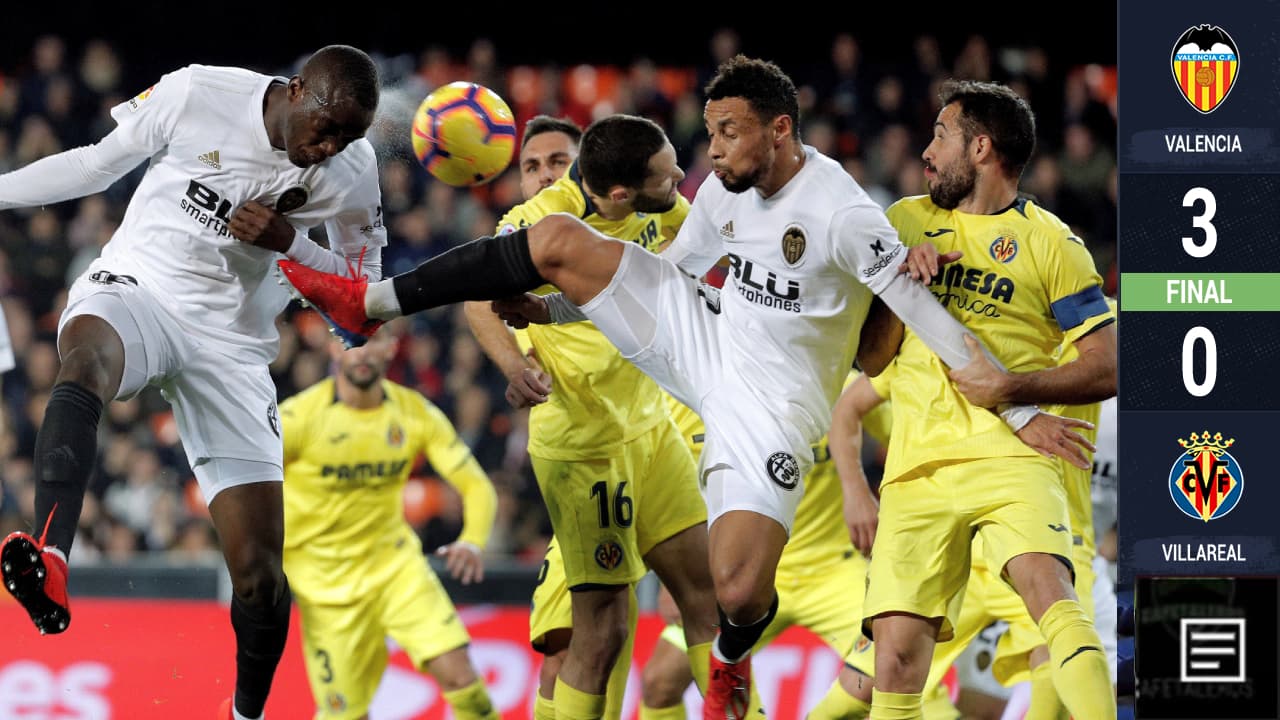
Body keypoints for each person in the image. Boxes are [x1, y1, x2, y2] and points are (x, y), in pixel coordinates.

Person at [276, 57, 1090, 718]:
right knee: (557, 237)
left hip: (773, 407)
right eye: (709, 133)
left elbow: (925, 314)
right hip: (702, 337)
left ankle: (731, 662)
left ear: (779, 129)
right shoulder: (724, 193)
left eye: (728, 133)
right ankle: (367, 300)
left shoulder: (842, 213)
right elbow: (669, 274)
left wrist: (1016, 407)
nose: (714, 151)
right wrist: (558, 304)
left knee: (738, 589)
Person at [0, 45, 386, 720]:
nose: (328, 147)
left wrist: (289, 245)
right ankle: (53, 557)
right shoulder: (199, 93)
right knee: (85, 359)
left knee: (262, 579)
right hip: (141, 288)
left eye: (346, 137)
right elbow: (95, 163)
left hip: (234, 347)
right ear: (295, 90)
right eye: (324, 128)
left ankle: (244, 715)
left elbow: (364, 301)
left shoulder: (353, 172)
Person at [851, 80, 1117, 719]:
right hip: (916, 468)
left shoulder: (1053, 243)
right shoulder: (904, 222)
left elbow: (1108, 365)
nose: (925, 152)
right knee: (895, 660)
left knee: (1050, 594)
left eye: (940, 136)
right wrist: (898, 278)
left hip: (1011, 457)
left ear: (980, 147)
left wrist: (1011, 388)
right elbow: (871, 358)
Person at [464, 114, 724, 720]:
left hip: (653, 433)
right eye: (531, 165)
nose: (546, 174)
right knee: (594, 634)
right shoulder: (536, 224)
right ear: (616, 191)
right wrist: (513, 368)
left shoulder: (659, 205)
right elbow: (479, 300)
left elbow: (688, 263)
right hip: (584, 444)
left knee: (705, 601)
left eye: (558, 160)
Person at [639, 376, 958, 720]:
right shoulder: (689, 396)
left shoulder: (833, 380)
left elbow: (912, 445)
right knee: (659, 682)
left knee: (899, 670)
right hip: (746, 576)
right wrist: (680, 580)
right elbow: (670, 494)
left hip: (833, 569)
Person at [279, 326, 498, 720]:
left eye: (373, 342)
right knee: (347, 715)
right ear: (333, 348)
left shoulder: (414, 412)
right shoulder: (297, 418)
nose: (361, 354)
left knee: (463, 679)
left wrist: (473, 540)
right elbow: (245, 485)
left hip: (396, 570)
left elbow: (477, 485)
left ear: (391, 347)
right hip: (326, 586)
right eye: (351, 344)